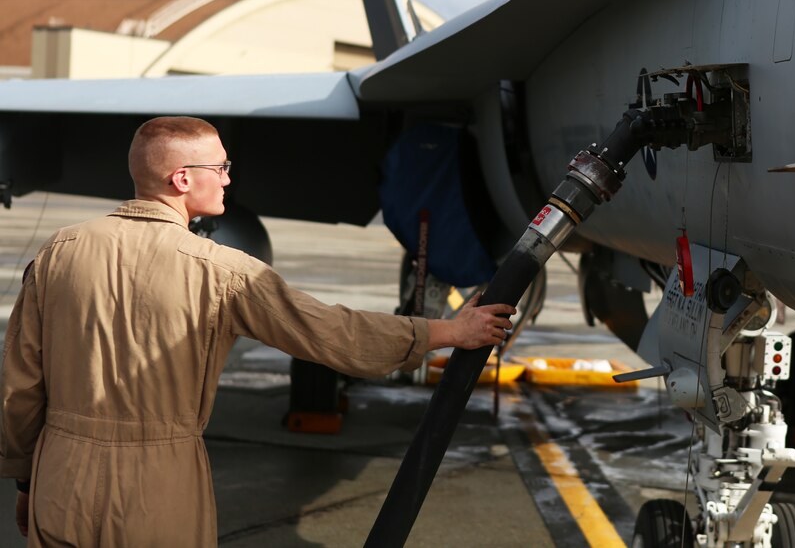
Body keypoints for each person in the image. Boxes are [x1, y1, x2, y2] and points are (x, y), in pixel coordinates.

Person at [0, 116, 515, 546]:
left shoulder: (58, 252)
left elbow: (20, 385)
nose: (228, 178)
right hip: (155, 486)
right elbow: (333, 333)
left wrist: (27, 480)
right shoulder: (222, 271)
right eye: (220, 167)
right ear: (182, 179)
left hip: (60, 477)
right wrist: (446, 332)